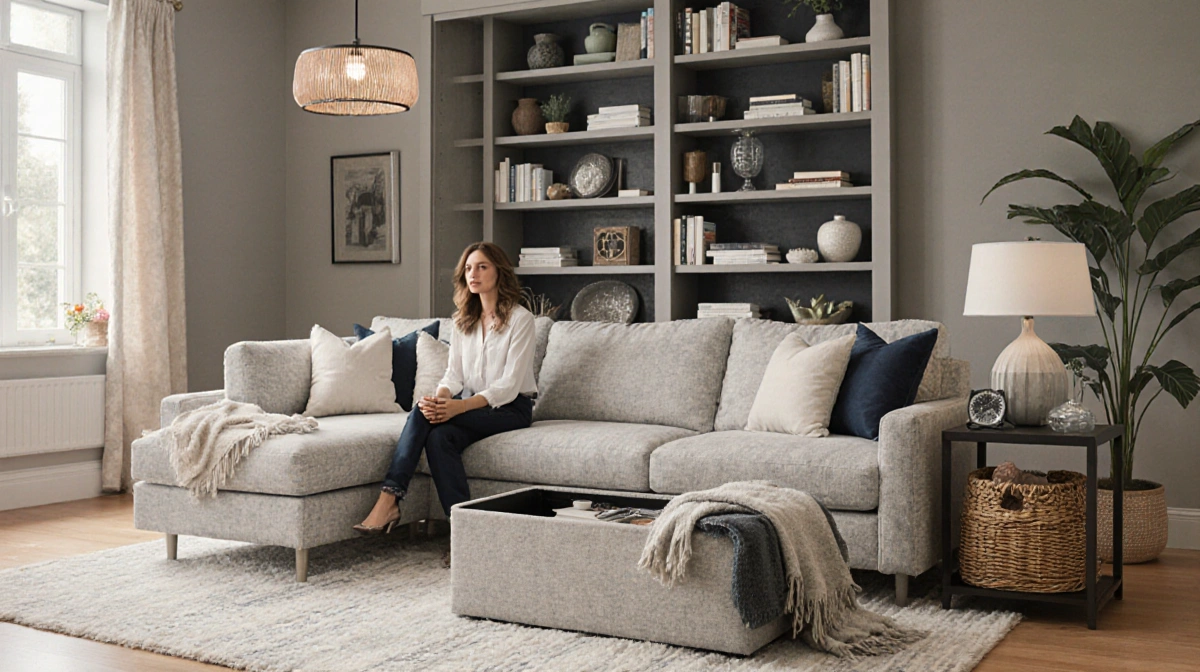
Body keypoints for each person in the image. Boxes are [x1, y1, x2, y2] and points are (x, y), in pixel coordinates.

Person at [354, 242, 538, 533]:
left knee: (420, 414)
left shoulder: (521, 319)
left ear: (499, 272)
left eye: (482, 267)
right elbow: (454, 375)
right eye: (468, 269)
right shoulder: (462, 321)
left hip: (511, 409)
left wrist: (459, 407)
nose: (473, 274)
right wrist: (440, 399)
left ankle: (389, 498)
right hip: (472, 407)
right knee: (438, 437)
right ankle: (463, 530)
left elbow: (508, 386)